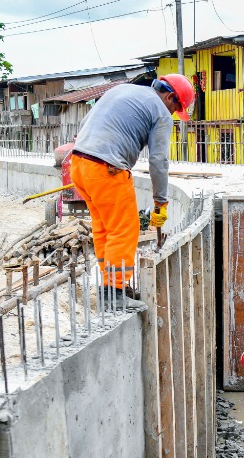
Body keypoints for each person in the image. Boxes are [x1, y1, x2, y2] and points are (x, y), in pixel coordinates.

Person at [70, 75, 195, 304]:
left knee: (104, 228)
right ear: (170, 98)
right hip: (107, 168)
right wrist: (161, 202)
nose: (173, 115)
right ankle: (115, 292)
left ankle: (110, 286)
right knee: (125, 229)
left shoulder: (123, 90)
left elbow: (86, 122)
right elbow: (158, 161)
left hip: (79, 163)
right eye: (176, 109)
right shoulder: (160, 111)